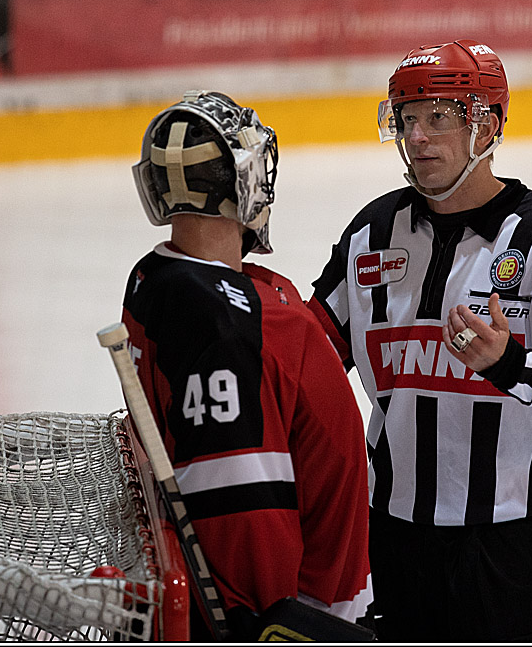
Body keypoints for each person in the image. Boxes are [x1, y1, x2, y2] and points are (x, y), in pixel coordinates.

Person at [307, 40, 532, 642]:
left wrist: (511, 364)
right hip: (393, 534)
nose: (418, 137)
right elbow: (309, 357)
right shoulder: (372, 232)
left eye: (439, 118)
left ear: (488, 126)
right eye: (407, 119)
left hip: (513, 541)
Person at [120, 90, 373, 640]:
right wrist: (273, 624)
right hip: (299, 616)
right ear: (239, 184)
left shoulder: (185, 282)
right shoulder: (218, 326)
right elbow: (241, 505)